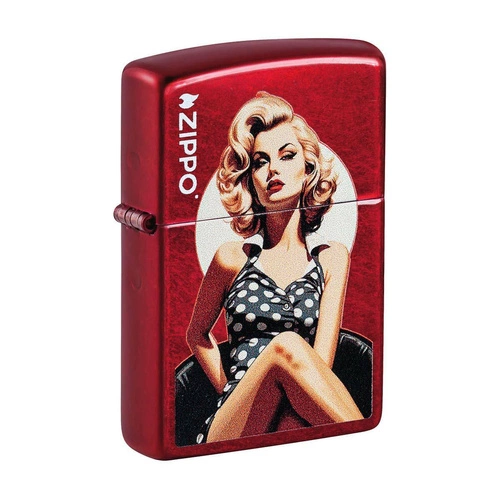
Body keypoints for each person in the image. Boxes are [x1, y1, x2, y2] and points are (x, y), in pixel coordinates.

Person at [186, 91, 363, 444]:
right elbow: (197, 334)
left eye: (287, 156)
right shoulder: (232, 258)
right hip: (236, 422)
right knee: (286, 346)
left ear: (308, 169)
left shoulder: (331, 258)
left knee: (293, 376)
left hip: (299, 415)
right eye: (260, 162)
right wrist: (230, 388)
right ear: (249, 179)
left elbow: (321, 366)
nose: (273, 170)